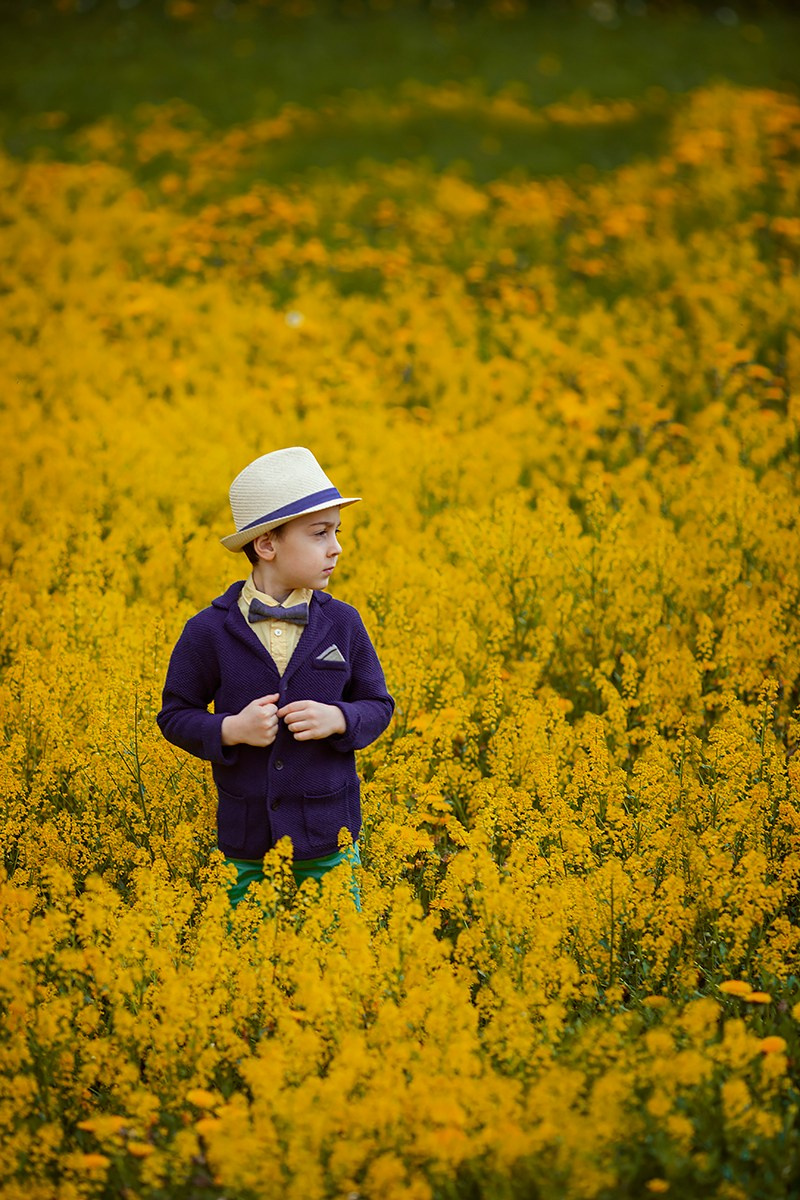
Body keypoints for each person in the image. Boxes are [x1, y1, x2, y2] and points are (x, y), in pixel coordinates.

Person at [157, 446, 394, 910]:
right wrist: (230, 729)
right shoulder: (207, 630)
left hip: (328, 834)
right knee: (241, 955)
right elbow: (174, 715)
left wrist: (339, 719)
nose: (336, 547)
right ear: (267, 545)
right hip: (245, 840)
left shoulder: (344, 624)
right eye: (319, 534)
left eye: (336, 532)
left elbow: (378, 704)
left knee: (333, 954)